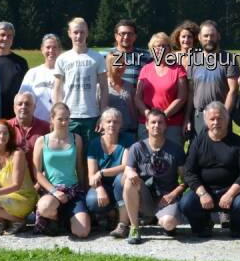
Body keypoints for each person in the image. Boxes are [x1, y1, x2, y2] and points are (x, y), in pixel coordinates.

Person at [181, 102, 240, 238]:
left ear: (227, 119)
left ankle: (236, 228)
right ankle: (203, 226)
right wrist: (202, 194)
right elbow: (189, 172)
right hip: (205, 191)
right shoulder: (197, 142)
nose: (216, 122)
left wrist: (230, 194)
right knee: (186, 203)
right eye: (212, 119)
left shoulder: (239, 144)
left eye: (220, 118)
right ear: (205, 121)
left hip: (232, 192)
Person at [122, 109, 187, 243]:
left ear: (165, 126)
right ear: (146, 125)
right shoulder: (137, 147)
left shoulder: (176, 149)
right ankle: (134, 228)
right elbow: (128, 169)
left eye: (160, 122)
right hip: (145, 196)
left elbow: (186, 180)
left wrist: (173, 194)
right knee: (129, 181)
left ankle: (162, 218)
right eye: (153, 122)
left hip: (166, 197)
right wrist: (132, 173)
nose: (156, 126)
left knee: (169, 223)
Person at [33, 102, 90, 238]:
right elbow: (37, 172)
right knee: (45, 206)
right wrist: (54, 191)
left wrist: (84, 190)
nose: (64, 122)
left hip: (73, 190)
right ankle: (55, 218)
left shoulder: (76, 139)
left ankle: (64, 219)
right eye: (60, 119)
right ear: (52, 119)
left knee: (82, 232)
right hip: (52, 191)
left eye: (67, 118)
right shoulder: (42, 141)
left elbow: (79, 167)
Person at [52, 18, 108, 145]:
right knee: (70, 154)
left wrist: (103, 114)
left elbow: (104, 88)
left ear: (87, 33)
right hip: (68, 117)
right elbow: (57, 88)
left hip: (92, 116)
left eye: (82, 32)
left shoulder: (97, 57)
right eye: (76, 32)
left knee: (90, 156)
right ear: (69, 33)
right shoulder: (62, 59)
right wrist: (56, 114)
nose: (79, 36)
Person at [187, 20, 239, 135]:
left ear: (218, 36)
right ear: (199, 37)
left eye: (212, 35)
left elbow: (233, 90)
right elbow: (190, 92)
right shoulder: (193, 60)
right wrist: (187, 118)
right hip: (199, 116)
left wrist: (224, 115)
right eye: (205, 36)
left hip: (219, 117)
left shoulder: (229, 59)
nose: (209, 39)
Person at [137, 32, 189, 145]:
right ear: (152, 49)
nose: (160, 49)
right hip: (147, 123)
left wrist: (164, 116)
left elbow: (182, 97)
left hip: (172, 123)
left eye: (163, 45)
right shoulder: (145, 69)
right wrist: (148, 115)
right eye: (156, 46)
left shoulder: (178, 69)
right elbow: (137, 97)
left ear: (169, 48)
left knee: (172, 157)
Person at [85, 108, 130, 237]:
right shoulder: (94, 144)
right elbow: (91, 175)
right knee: (93, 201)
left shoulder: (127, 139)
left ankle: (123, 224)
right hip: (103, 186)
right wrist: (99, 189)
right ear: (102, 124)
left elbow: (125, 166)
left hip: (121, 184)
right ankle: (111, 213)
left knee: (121, 178)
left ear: (120, 124)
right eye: (108, 121)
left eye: (116, 122)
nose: (112, 125)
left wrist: (102, 172)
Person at [0, 21, 29, 119]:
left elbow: (26, 90)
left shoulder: (21, 62)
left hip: (14, 116)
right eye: (2, 35)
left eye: (10, 36)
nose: (6, 38)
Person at [18, 33, 61, 123]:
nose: (51, 50)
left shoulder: (66, 74)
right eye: (48, 47)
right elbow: (22, 99)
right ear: (42, 49)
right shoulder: (33, 73)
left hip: (59, 125)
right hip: (36, 125)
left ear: (60, 50)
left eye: (54, 47)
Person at [8, 92, 49, 185]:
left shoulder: (46, 128)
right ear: (14, 108)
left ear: (34, 107)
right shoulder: (5, 127)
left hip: (39, 184)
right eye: (20, 104)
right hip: (10, 185)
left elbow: (52, 161)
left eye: (27, 104)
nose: (23, 107)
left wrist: (39, 185)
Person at [110, 18, 152, 96]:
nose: (126, 37)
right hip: (111, 103)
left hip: (136, 103)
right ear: (116, 36)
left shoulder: (146, 57)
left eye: (130, 34)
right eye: (122, 33)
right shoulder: (105, 56)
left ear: (135, 36)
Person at [106, 51, 139, 141]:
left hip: (129, 131)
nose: (121, 67)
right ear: (109, 65)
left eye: (123, 64)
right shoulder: (102, 86)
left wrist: (136, 127)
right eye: (118, 63)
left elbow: (133, 109)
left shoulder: (129, 85)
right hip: (109, 132)